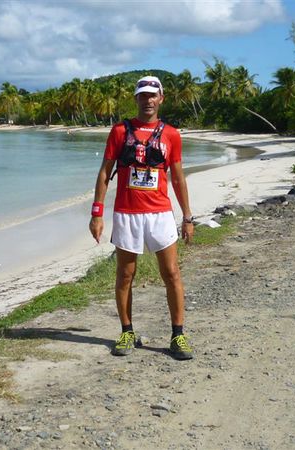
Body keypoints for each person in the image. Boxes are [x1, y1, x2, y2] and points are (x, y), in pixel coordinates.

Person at [89, 76, 195, 360]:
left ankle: (178, 335)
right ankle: (126, 331)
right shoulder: (119, 131)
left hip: (160, 214)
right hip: (127, 214)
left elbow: (178, 178)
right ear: (135, 99)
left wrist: (187, 216)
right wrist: (96, 213)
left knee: (171, 273)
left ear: (161, 99)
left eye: (152, 95)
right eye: (142, 95)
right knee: (125, 275)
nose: (147, 100)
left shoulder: (171, 134)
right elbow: (104, 173)